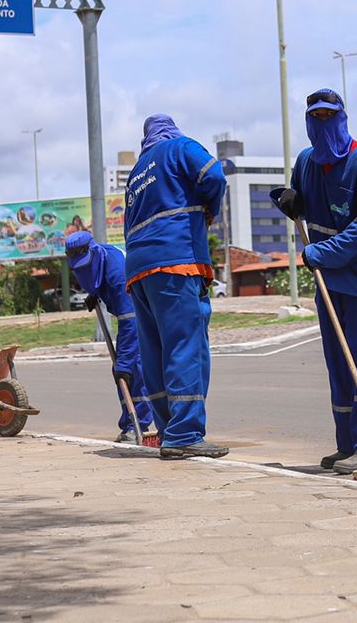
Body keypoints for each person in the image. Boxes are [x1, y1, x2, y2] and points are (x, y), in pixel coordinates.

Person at [272, 88, 357, 476]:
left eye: (329, 116)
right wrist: (291, 201)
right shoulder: (306, 162)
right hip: (329, 285)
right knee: (339, 365)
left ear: (343, 117)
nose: (323, 123)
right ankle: (347, 444)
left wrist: (320, 255)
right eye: (316, 117)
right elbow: (303, 215)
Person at [124, 114, 228, 459]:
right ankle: (184, 434)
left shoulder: (137, 171)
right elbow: (214, 174)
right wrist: (210, 210)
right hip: (176, 260)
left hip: (138, 270)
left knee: (154, 351)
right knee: (186, 345)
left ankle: (169, 432)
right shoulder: (179, 147)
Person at [65, 230, 157, 443]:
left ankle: (139, 425)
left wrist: (124, 364)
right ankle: (129, 424)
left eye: (86, 265)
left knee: (133, 367)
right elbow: (96, 277)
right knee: (123, 369)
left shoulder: (116, 274)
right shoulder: (101, 257)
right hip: (134, 312)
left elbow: (130, 323)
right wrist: (95, 293)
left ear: (94, 251)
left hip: (146, 311)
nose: (84, 270)